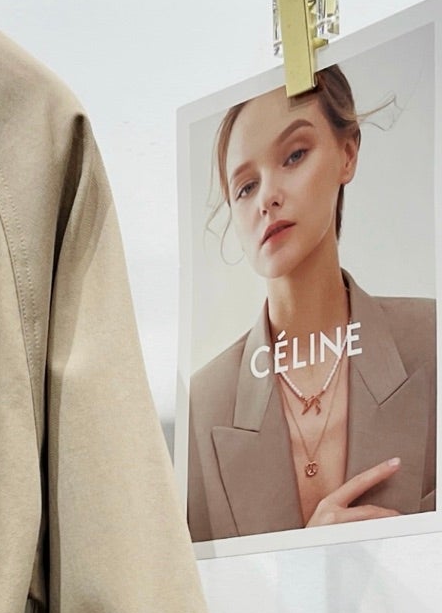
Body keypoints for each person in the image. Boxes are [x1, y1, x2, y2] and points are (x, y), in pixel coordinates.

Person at [186, 66, 436, 542]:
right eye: (245, 187)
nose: (267, 198)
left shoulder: (431, 340)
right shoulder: (203, 405)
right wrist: (308, 559)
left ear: (348, 154)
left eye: (294, 155)